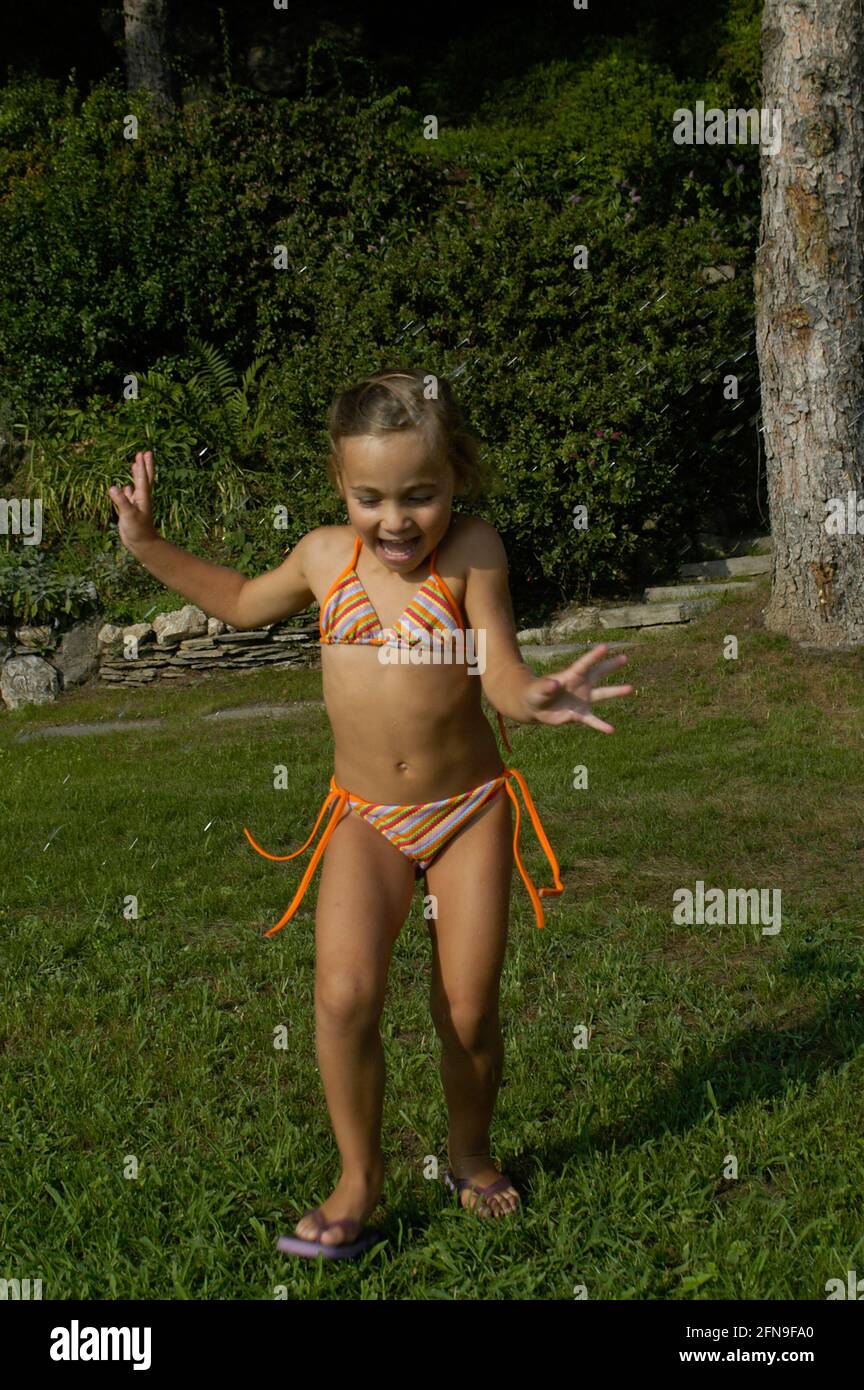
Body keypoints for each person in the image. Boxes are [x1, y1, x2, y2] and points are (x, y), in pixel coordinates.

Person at [109, 368, 633, 1261]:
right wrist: (150, 544)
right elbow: (238, 601)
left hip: (467, 811)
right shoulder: (323, 558)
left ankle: (469, 1154)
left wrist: (531, 695)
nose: (395, 520)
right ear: (340, 488)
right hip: (363, 816)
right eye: (370, 497)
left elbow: (497, 668)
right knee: (344, 994)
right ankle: (359, 1176)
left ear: (456, 478)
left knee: (467, 1011)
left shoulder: (473, 554)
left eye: (419, 495)